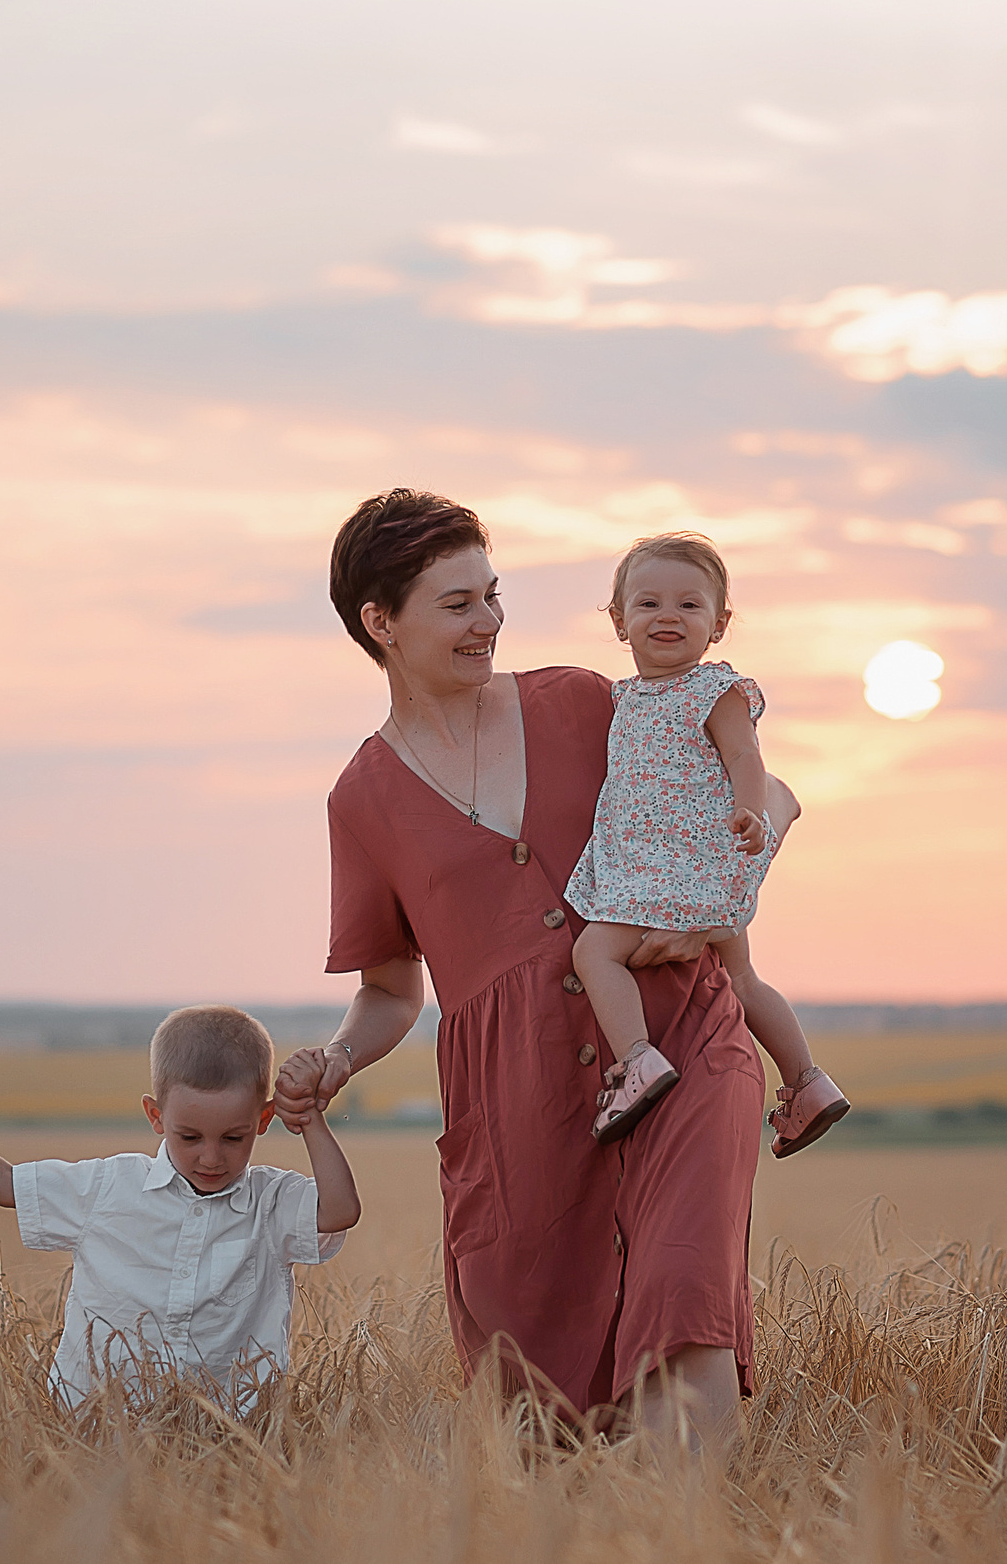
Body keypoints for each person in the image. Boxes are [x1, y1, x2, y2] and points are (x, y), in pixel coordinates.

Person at [272, 487, 792, 1451]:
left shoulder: (586, 702)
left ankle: (680, 1534)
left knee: (687, 1303)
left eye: (493, 593)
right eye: (458, 604)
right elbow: (390, 989)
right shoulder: (364, 796)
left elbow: (775, 794)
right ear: (380, 624)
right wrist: (336, 1061)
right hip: (519, 1104)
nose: (491, 622)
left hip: (676, 1039)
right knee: (543, 1405)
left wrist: (715, 904)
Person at [0, 1003, 358, 1404]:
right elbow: (7, 1186)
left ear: (264, 1119)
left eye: (233, 1137)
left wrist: (310, 1117)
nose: (210, 1156)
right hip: (93, 1424)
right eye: (189, 1136)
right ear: (155, 1116)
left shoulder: (269, 1203)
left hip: (229, 1435)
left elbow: (339, 1212)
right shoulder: (108, 1188)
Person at [562, 531, 849, 1153]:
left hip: (675, 871)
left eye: (689, 606)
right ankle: (806, 1083)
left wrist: (750, 811)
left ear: (718, 625)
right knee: (743, 978)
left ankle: (635, 1061)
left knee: (594, 955)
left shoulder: (713, 689)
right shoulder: (626, 698)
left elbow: (745, 753)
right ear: (619, 622)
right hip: (702, 877)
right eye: (649, 604)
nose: (669, 616)